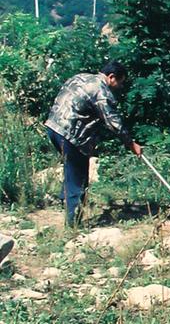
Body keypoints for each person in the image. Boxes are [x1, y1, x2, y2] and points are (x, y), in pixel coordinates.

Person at [44, 61, 143, 227]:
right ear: (111, 77)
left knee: (71, 168)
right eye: (120, 82)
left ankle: (65, 199)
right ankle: (72, 223)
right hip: (71, 135)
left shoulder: (80, 77)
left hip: (53, 128)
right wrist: (131, 144)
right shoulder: (102, 91)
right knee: (79, 177)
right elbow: (113, 122)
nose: (120, 86)